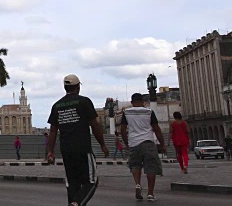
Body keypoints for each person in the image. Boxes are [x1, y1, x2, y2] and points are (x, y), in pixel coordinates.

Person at [47, 74, 109, 206]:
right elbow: (95, 125)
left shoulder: (57, 106)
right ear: (77, 87)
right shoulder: (84, 102)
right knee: (91, 181)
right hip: (83, 148)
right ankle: (76, 203)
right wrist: (103, 144)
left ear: (65, 88)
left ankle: (73, 202)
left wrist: (50, 151)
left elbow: (53, 130)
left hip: (66, 150)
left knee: (73, 183)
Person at [120, 93, 167, 202]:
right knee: (151, 168)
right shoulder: (149, 112)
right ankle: (150, 193)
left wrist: (127, 142)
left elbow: (122, 129)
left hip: (134, 143)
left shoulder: (126, 113)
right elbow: (156, 128)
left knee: (135, 165)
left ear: (132, 102)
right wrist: (162, 144)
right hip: (148, 142)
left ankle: (137, 184)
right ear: (142, 101)